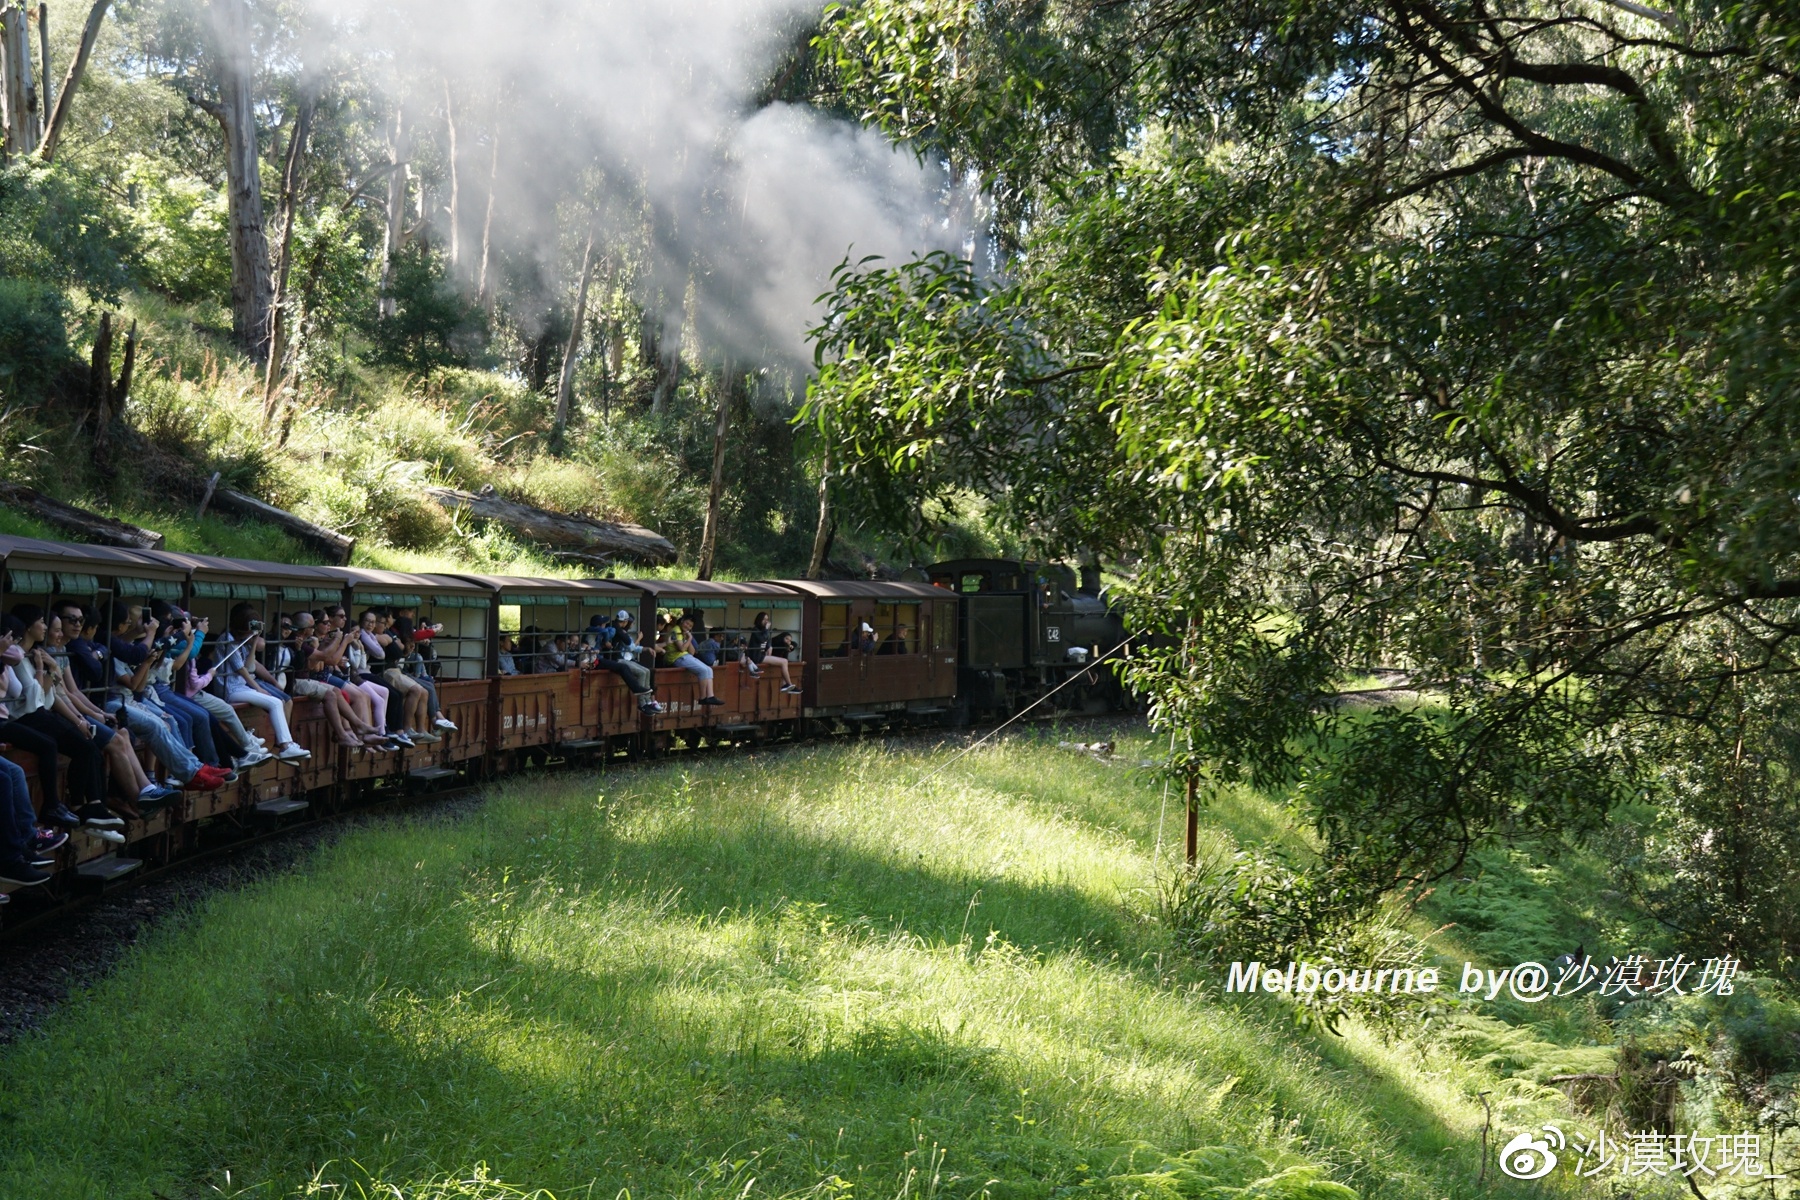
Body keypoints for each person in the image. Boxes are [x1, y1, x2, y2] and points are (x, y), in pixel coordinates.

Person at [7, 608, 115, 835]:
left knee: (89, 746)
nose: (45, 627)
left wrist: (51, 671)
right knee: (80, 747)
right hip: (27, 716)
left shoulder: (33, 653)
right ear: (28, 627)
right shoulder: (18, 655)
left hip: (38, 712)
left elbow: (45, 696)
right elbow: (33, 699)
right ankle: (77, 805)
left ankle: (95, 806)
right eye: (42, 622)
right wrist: (44, 670)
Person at [103, 602, 228, 795]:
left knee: (169, 720)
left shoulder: (127, 645)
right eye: (130, 622)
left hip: (131, 697)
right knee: (164, 723)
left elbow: (141, 683)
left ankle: (195, 767)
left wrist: (157, 650)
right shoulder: (125, 648)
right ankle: (190, 772)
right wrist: (151, 653)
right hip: (116, 700)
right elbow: (136, 685)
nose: (137, 626)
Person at [215, 604, 311, 763]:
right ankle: (286, 746)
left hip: (240, 686)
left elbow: (250, 666)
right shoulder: (227, 638)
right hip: (230, 688)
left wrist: (252, 642)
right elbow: (241, 669)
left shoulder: (243, 641)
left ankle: (287, 745)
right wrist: (259, 689)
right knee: (275, 702)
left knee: (278, 701)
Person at [588, 610, 662, 714]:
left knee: (647, 671)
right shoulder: (614, 630)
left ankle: (648, 701)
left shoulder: (609, 630)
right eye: (603, 623)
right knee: (640, 672)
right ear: (625, 621)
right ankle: (643, 704)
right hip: (614, 658)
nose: (606, 625)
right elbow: (629, 645)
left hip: (614, 657)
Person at [668, 614, 725, 706]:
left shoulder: (684, 633)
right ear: (682, 621)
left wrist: (688, 639)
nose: (687, 626)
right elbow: (682, 649)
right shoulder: (676, 631)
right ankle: (703, 698)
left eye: (690, 626)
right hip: (676, 658)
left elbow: (692, 652)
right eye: (687, 623)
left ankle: (710, 696)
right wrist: (690, 638)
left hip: (685, 656)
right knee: (702, 671)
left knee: (709, 669)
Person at [745, 612, 801, 694]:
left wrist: (769, 646)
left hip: (761, 656)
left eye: (767, 619)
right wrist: (767, 629)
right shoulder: (756, 629)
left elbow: (768, 641)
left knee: (784, 661)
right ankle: (788, 685)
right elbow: (762, 639)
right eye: (764, 619)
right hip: (756, 656)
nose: (766, 621)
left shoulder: (764, 631)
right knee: (784, 661)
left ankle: (786, 684)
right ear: (759, 620)